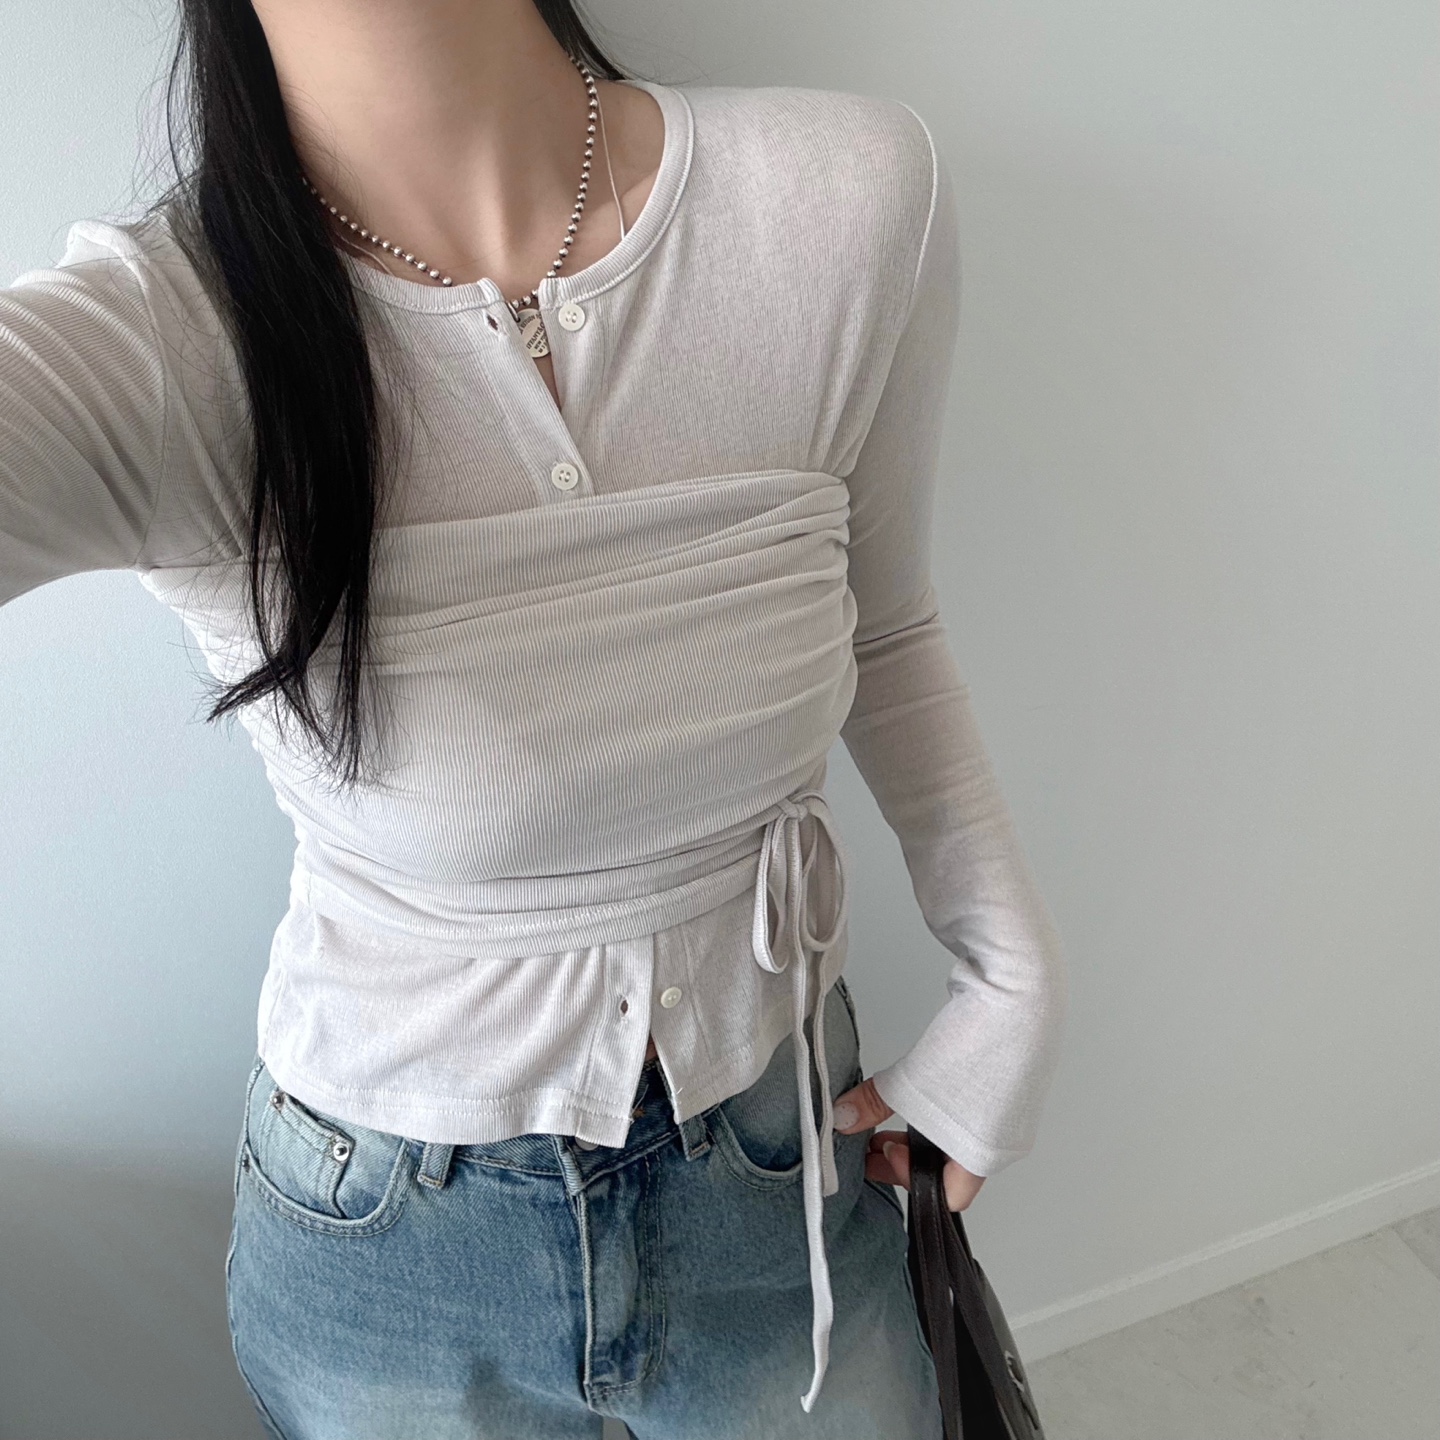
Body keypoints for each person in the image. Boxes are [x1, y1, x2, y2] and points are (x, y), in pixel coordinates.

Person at [0, 1, 1067, 1435]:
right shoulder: (156, 337)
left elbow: (887, 621)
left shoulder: (847, 196)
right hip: (391, 1249)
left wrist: (1012, 980)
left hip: (786, 1172)